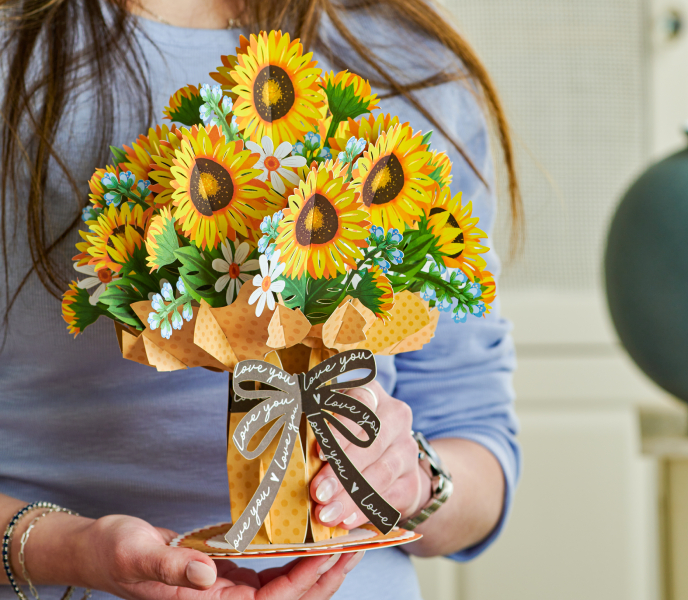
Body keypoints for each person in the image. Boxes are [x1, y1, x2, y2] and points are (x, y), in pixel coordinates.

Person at [0, 1, 521, 599]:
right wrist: (68, 550)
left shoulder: (412, 58)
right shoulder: (15, 49)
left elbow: (477, 437)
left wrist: (411, 479)